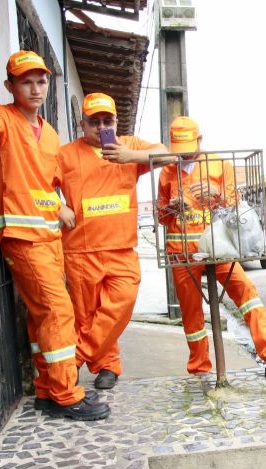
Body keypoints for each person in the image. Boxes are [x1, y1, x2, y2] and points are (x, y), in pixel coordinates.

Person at [0, 51, 109, 420]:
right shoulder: (4, 119)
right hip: (22, 235)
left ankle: (47, 389)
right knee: (57, 311)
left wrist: (61, 206)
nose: (35, 88)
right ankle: (67, 394)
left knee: (41, 317)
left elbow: (46, 184)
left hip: (48, 236)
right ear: (10, 86)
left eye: (41, 81)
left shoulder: (48, 133)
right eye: (26, 81)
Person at [157, 116, 266, 386]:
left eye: (190, 145)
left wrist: (217, 193)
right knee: (191, 313)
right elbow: (162, 216)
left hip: (217, 246)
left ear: (200, 140)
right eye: (180, 147)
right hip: (182, 251)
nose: (185, 152)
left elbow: (236, 205)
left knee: (247, 295)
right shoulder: (166, 172)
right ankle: (199, 370)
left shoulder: (219, 165)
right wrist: (171, 209)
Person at [57, 93, 166, 390]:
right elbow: (38, 182)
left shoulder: (128, 146)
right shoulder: (66, 154)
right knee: (88, 316)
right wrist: (58, 206)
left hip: (121, 247)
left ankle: (77, 357)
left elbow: (167, 153)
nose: (101, 126)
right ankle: (107, 366)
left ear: (116, 122)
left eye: (107, 120)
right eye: (94, 122)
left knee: (121, 303)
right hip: (80, 249)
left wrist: (132, 157)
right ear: (82, 124)